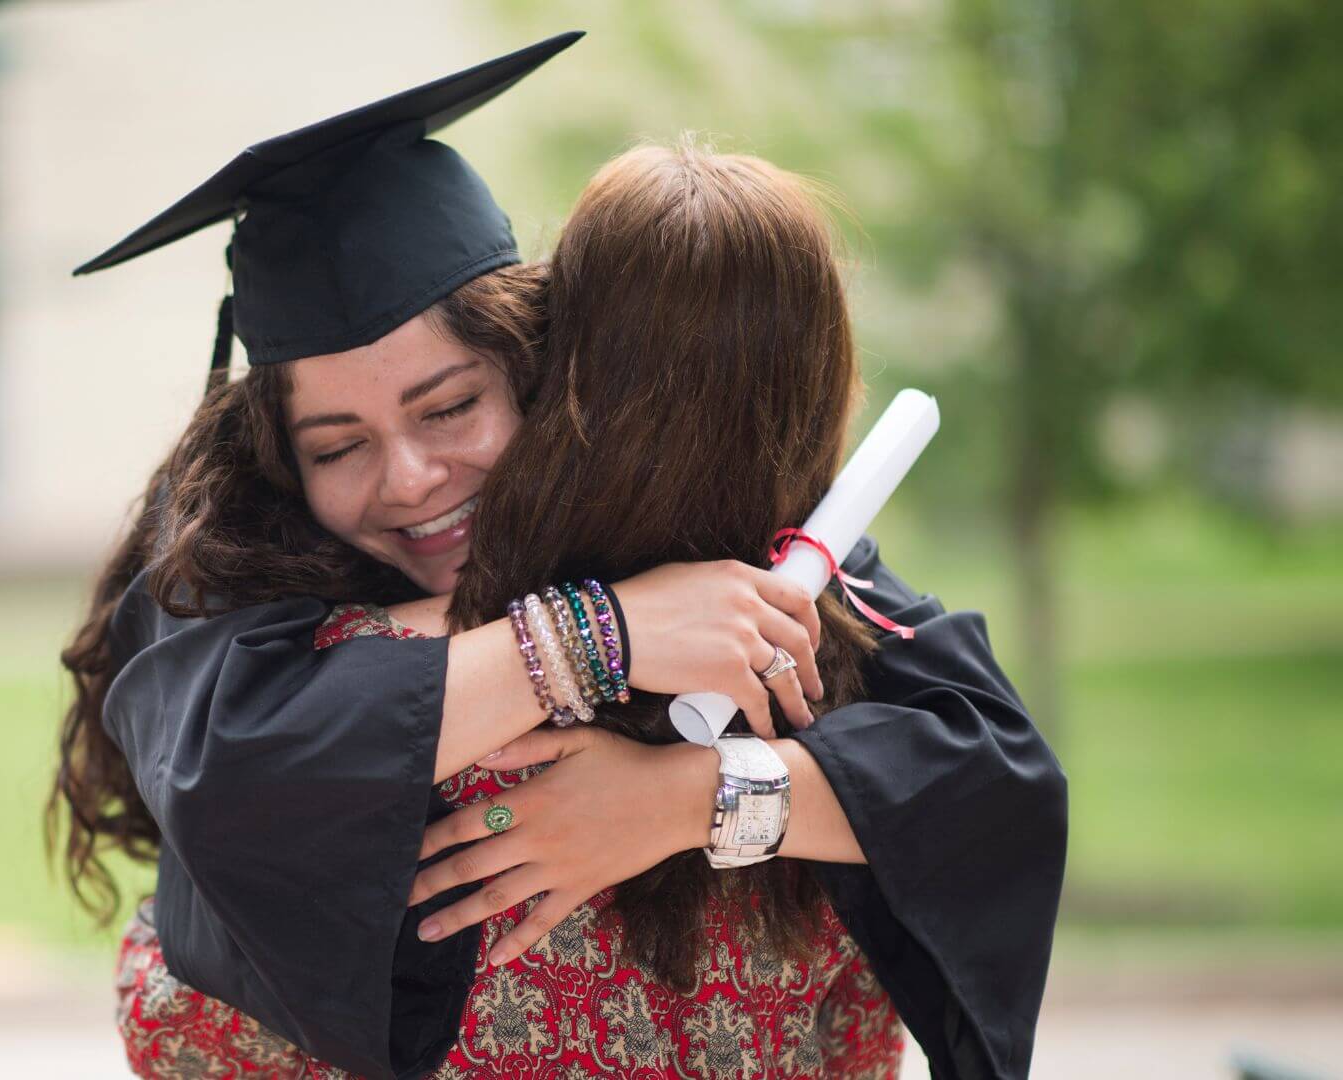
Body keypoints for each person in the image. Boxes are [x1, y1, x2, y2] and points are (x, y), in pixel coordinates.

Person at [58, 35, 1066, 1080]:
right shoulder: (234, 561)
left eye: (450, 407)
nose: (409, 478)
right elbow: (238, 765)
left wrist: (688, 796)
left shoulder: (709, 538)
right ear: (279, 458)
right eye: (338, 446)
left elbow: (987, 773)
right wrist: (601, 637)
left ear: (537, 370)